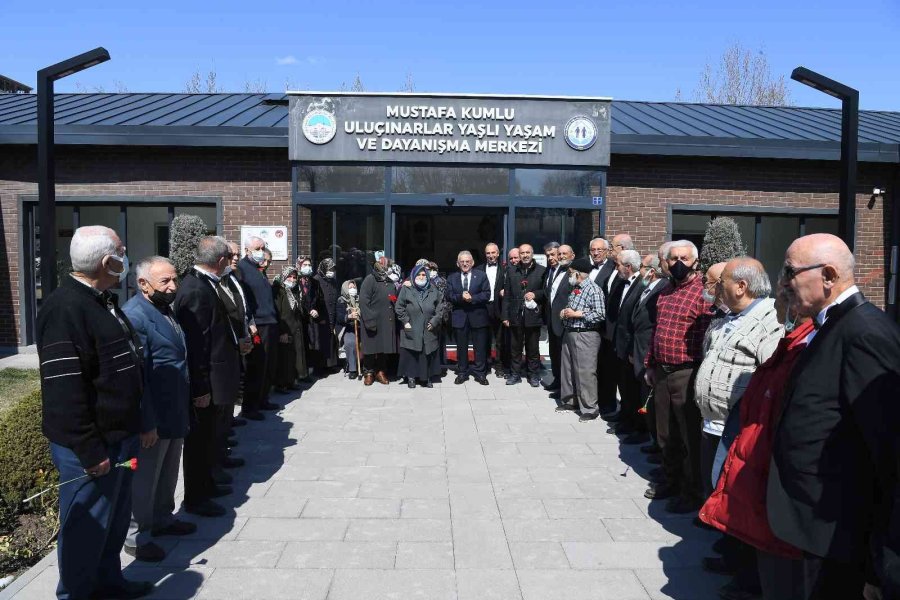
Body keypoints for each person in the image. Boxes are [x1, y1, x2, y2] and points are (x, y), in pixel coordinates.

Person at [767, 234, 900, 599]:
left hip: (840, 541)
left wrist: (880, 563)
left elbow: (889, 456)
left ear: (827, 275)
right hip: (814, 531)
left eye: (790, 272)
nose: (783, 283)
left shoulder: (864, 334)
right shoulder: (828, 326)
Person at [36, 225, 153, 600]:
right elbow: (64, 390)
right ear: (108, 261)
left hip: (120, 437)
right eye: (122, 250)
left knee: (113, 523)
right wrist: (89, 450)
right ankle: (76, 593)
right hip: (91, 447)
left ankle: (108, 585)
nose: (125, 256)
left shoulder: (103, 299)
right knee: (86, 531)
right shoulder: (64, 308)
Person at [700, 284, 811, 600]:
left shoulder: (797, 343)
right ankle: (741, 570)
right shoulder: (790, 342)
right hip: (745, 433)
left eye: (783, 299)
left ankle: (749, 579)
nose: (777, 306)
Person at [121, 257, 195, 563]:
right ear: (143, 284)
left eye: (174, 279)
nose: (173, 286)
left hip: (174, 407)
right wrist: (146, 421)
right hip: (153, 414)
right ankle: (138, 537)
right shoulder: (135, 316)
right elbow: (138, 376)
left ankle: (164, 518)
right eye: (164, 281)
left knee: (167, 472)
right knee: (145, 479)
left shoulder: (165, 309)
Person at [643, 240, 713, 514]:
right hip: (662, 371)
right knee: (665, 432)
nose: (679, 263)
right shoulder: (665, 291)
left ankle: (692, 490)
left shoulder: (702, 294)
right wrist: (650, 364)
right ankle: (670, 480)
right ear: (666, 262)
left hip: (686, 371)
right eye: (673, 259)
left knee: (689, 436)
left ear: (695, 261)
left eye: (684, 258)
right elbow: (657, 331)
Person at [174, 236, 241, 518]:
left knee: (211, 437)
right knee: (200, 442)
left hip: (217, 375)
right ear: (221, 261)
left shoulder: (204, 284)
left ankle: (208, 485)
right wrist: (201, 387)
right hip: (208, 379)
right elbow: (196, 344)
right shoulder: (195, 289)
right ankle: (196, 497)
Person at [630, 254, 672, 454]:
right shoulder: (647, 287)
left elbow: (655, 323)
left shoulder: (662, 289)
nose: (640, 271)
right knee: (643, 394)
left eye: (643, 267)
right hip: (639, 348)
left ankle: (658, 443)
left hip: (649, 349)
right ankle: (651, 437)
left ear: (652, 271)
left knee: (652, 400)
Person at [555, 258, 606, 421]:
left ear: (578, 273)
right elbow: (573, 307)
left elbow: (600, 314)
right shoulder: (575, 288)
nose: (569, 274)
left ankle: (590, 408)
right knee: (568, 369)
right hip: (570, 332)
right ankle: (571, 400)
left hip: (586, 334)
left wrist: (579, 314)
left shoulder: (593, 289)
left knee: (585, 372)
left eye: (571, 272)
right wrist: (565, 312)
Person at [238, 236, 279, 419]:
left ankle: (263, 398)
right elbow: (244, 301)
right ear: (247, 250)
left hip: (269, 322)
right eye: (257, 248)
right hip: (257, 326)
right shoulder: (242, 269)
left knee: (266, 364)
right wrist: (251, 324)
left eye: (263, 247)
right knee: (255, 364)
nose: (261, 251)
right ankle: (250, 406)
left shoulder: (258, 268)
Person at [610, 249, 648, 443]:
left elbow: (639, 322)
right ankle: (625, 418)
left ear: (628, 266)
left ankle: (637, 427)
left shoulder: (641, 285)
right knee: (624, 386)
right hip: (621, 343)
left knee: (633, 390)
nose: (615, 268)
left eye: (618, 265)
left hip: (632, 347)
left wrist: (633, 349)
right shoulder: (621, 282)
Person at [502, 244, 546, 387]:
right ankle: (515, 374)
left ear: (532, 254)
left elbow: (546, 292)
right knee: (515, 348)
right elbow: (507, 295)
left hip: (533, 315)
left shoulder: (542, 271)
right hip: (515, 315)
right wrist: (505, 316)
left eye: (528, 252)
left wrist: (536, 294)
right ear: (519, 255)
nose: (525, 255)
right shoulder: (511, 270)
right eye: (522, 253)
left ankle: (533, 375)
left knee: (533, 348)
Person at [598, 234, 632, 420]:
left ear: (623, 248)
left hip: (619, 333)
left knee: (622, 376)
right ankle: (609, 404)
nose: (610, 250)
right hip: (607, 330)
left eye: (613, 246)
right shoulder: (612, 268)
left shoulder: (628, 272)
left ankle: (624, 413)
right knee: (608, 371)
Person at [395, 264, 445, 388]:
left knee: (426, 353)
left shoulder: (434, 289)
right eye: (419, 274)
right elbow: (399, 307)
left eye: (424, 274)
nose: (421, 277)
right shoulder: (407, 289)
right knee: (411, 353)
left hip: (429, 328)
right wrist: (405, 321)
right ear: (414, 275)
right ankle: (411, 377)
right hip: (412, 325)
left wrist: (434, 321)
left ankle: (426, 377)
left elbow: (440, 308)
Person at [446, 250, 492, 385]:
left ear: (472, 263)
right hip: (460, 317)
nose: (465, 264)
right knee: (461, 347)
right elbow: (448, 295)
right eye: (462, 262)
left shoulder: (482, 276)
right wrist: (461, 297)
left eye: (467, 261)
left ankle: (480, 373)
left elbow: (486, 294)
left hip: (478, 315)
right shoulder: (452, 277)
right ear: (457, 263)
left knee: (480, 347)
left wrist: (472, 298)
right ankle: (462, 373)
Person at [359, 257, 400, 385]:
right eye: (385, 267)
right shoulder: (370, 280)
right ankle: (369, 372)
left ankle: (380, 371)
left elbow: (393, 299)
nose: (387, 269)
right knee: (371, 348)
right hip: (372, 320)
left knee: (383, 349)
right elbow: (363, 302)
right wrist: (369, 320)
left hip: (386, 321)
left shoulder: (390, 281)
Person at [271, 266, 309, 391]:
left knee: (293, 356)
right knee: (284, 358)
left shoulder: (295, 291)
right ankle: (281, 384)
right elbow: (277, 312)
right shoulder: (279, 291)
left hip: (295, 328)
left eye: (294, 277)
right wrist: (281, 332)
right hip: (285, 328)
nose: (292, 280)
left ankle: (292, 381)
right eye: (290, 277)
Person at [475, 243, 508, 379]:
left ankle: (499, 366)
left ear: (498, 253)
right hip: (483, 307)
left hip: (499, 307)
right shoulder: (478, 269)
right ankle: (486, 365)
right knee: (484, 339)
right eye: (488, 253)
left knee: (500, 340)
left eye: (493, 253)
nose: (491, 256)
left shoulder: (505, 269)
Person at [297, 257, 334, 377]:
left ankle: (315, 369)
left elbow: (320, 300)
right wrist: (307, 311)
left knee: (314, 343)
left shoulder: (314, 282)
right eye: (304, 264)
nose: (307, 267)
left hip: (313, 320)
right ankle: (303, 371)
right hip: (301, 319)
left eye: (309, 264)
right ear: (299, 266)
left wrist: (317, 311)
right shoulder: (294, 280)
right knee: (303, 344)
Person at [542, 242, 569, 391]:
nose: (551, 258)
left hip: (563, 321)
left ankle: (564, 387)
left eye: (553, 254)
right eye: (548, 256)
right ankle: (557, 381)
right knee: (554, 353)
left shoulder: (568, 271)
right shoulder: (550, 271)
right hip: (552, 320)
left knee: (563, 356)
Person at [313, 257, 340, 373]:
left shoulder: (333, 281)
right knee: (322, 339)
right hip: (322, 314)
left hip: (332, 312)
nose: (332, 271)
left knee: (331, 339)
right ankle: (320, 366)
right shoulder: (316, 280)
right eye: (329, 269)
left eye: (333, 269)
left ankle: (331, 364)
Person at [336, 279, 362, 379]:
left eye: (354, 287)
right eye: (350, 287)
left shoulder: (360, 299)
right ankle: (352, 368)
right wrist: (349, 316)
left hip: (361, 326)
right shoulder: (341, 300)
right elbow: (339, 317)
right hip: (348, 327)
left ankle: (366, 367)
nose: (352, 289)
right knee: (350, 343)